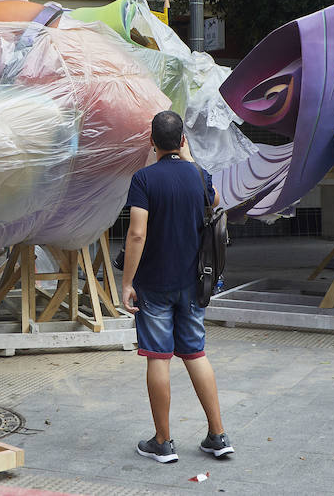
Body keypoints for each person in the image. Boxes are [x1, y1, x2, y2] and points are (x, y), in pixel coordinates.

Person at [121, 110, 232, 463]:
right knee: (195, 353)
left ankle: (163, 441)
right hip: (193, 283)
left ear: (151, 141)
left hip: (154, 285)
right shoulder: (199, 177)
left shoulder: (143, 179)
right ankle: (217, 435)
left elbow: (137, 233)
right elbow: (214, 201)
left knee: (159, 358)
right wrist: (187, 157)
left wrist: (126, 282)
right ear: (183, 140)